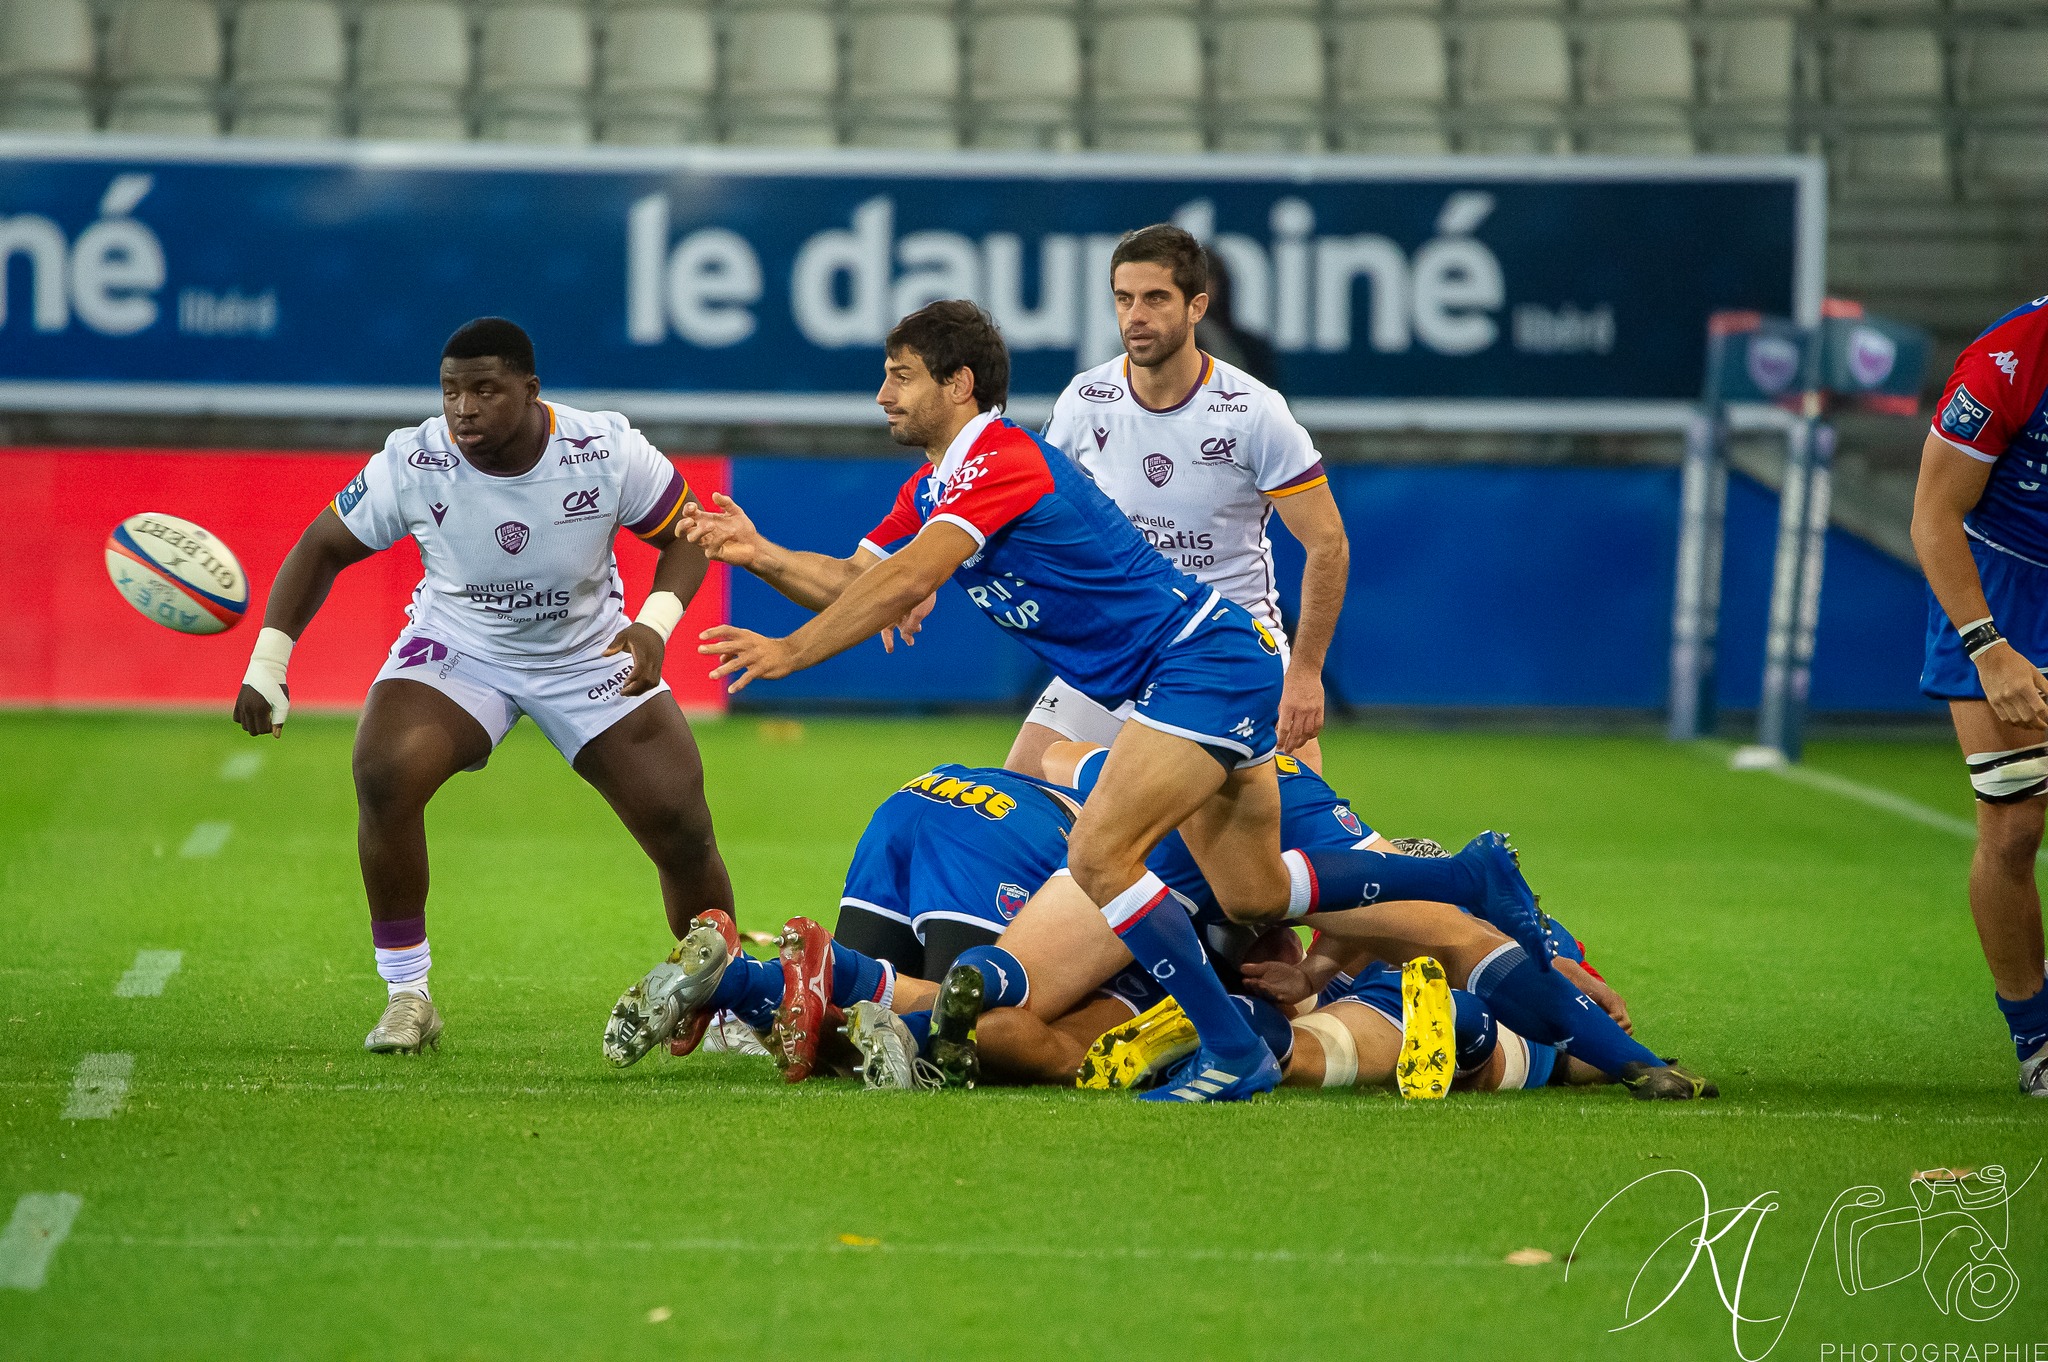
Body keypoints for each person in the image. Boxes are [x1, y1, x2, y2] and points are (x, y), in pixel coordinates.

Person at [684, 299, 1548, 1102]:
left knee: (1105, 856)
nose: (882, 395)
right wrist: (756, 553)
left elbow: (915, 575)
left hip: (1197, 659)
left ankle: (1238, 1040)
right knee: (1246, 889)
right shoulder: (936, 484)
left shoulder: (999, 458)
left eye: (900, 375)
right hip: (1157, 677)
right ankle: (1460, 876)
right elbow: (856, 579)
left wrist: (793, 652)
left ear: (960, 385)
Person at [234, 318, 733, 1054]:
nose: (463, 408)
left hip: (587, 652)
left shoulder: (604, 447)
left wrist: (655, 626)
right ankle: (409, 996)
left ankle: (721, 1004)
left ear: (531, 392)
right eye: (450, 391)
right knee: (384, 772)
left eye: (484, 390)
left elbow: (689, 531)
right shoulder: (414, 459)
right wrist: (267, 664)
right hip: (462, 649)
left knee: (681, 822)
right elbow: (322, 546)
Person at [1013, 225, 1349, 777]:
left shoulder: (1254, 411)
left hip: (1233, 647)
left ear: (1197, 307)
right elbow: (1032, 513)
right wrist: (928, 579)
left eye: (1155, 298)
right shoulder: (1085, 399)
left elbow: (1328, 545)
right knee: (1026, 783)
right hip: (1123, 640)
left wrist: (1307, 673)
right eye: (1124, 299)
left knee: (1285, 836)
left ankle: (1423, 866)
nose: (1135, 315)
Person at [1909, 294, 2048, 1097]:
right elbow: (1934, 512)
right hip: (2000, 585)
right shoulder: (2007, 359)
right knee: (2015, 821)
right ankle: (2037, 1038)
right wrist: (1988, 647)